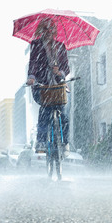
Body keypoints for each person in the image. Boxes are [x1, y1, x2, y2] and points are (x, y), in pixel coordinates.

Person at [26, 18, 70, 157]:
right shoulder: (36, 45)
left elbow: (66, 68)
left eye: (51, 28)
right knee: (44, 111)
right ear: (41, 31)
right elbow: (32, 63)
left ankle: (65, 143)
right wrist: (32, 76)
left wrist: (60, 72)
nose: (48, 31)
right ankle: (41, 142)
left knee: (64, 116)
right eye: (45, 28)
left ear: (54, 31)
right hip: (42, 86)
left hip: (57, 87)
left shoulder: (60, 46)